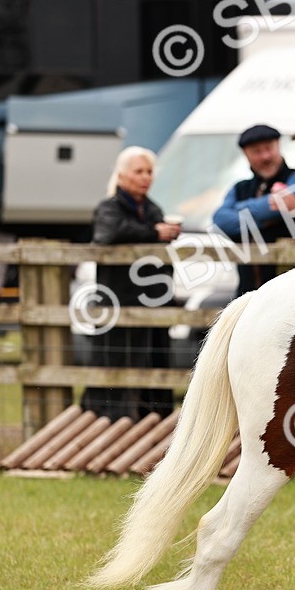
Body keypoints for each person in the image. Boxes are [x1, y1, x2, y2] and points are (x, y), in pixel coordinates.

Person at [80, 146, 180, 422]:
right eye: (138, 171)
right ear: (122, 175)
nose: (145, 177)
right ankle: (111, 420)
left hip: (152, 301)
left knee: (153, 359)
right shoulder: (109, 208)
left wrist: (166, 233)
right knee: (116, 361)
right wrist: (153, 232)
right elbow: (107, 233)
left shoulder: (151, 208)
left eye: (149, 171)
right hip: (119, 300)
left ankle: (154, 419)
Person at [212, 124, 295, 296]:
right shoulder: (240, 188)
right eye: (256, 151)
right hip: (247, 295)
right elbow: (220, 221)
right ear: (245, 154)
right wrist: (266, 212)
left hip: (293, 294)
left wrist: (239, 210)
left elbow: (275, 207)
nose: (265, 156)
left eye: (269, 148)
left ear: (279, 146)